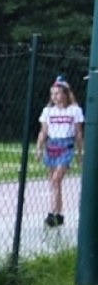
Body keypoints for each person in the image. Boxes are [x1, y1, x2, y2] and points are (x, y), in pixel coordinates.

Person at [35, 75, 84, 227]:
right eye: (52, 94)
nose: (54, 97)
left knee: (56, 179)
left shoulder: (74, 110)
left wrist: (80, 153)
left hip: (66, 146)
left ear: (65, 93)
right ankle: (59, 214)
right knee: (54, 183)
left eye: (57, 93)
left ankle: (51, 213)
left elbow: (78, 133)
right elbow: (43, 131)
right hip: (51, 146)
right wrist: (39, 148)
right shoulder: (48, 111)